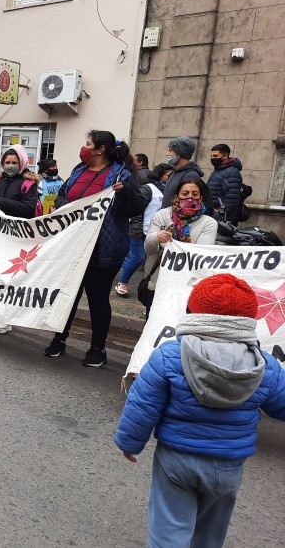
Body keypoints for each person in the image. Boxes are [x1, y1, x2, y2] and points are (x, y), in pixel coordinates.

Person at [115, 273, 285, 548]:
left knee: (168, 532)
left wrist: (129, 443)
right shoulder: (265, 365)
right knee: (209, 535)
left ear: (192, 312)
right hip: (229, 465)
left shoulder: (169, 355)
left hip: (176, 459)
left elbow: (143, 404)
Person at [43, 131, 142, 366]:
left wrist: (125, 192)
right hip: (73, 244)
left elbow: (134, 207)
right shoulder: (78, 170)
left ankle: (97, 348)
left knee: (97, 299)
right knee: (67, 294)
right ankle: (59, 339)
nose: (84, 148)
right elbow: (62, 196)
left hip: (103, 248)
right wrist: (64, 208)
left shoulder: (121, 174)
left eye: (88, 144)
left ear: (101, 149)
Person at [0, 146, 40, 334]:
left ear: (22, 163)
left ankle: (6, 318)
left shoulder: (28, 183)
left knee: (10, 278)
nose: (10, 165)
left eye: (15, 162)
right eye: (7, 162)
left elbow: (28, 209)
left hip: (17, 237)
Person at [142, 178, 217, 317]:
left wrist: (165, 244)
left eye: (195, 194)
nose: (190, 197)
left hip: (187, 286)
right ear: (176, 196)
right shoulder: (161, 215)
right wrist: (155, 237)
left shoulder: (209, 223)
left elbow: (199, 254)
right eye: (185, 193)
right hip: (158, 282)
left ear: (201, 198)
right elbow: (149, 249)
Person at [115, 163, 173, 297]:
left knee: (145, 259)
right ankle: (122, 282)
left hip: (156, 231)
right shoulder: (149, 188)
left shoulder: (166, 191)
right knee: (138, 257)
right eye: (168, 176)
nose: (170, 179)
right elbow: (137, 207)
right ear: (160, 174)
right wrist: (137, 228)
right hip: (140, 230)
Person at [161, 136, 209, 214]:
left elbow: (191, 205)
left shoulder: (190, 175)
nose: (167, 153)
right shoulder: (175, 172)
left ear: (179, 153)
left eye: (170, 151)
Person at [207, 143, 244, 225]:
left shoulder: (232, 172)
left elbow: (231, 200)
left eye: (215, 156)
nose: (213, 158)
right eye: (211, 156)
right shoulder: (219, 170)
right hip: (214, 216)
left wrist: (219, 216)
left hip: (223, 220)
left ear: (225, 156)